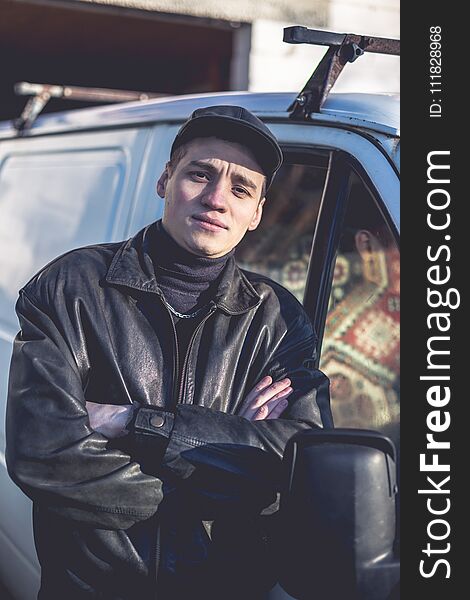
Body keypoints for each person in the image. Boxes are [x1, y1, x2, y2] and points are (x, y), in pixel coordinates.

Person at [6, 105, 332, 600]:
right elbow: (43, 454)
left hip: (225, 587)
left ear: (257, 213)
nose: (217, 199)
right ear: (165, 180)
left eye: (241, 188)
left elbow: (301, 462)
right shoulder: (73, 285)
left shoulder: (277, 320)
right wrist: (223, 471)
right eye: (199, 174)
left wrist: (133, 422)